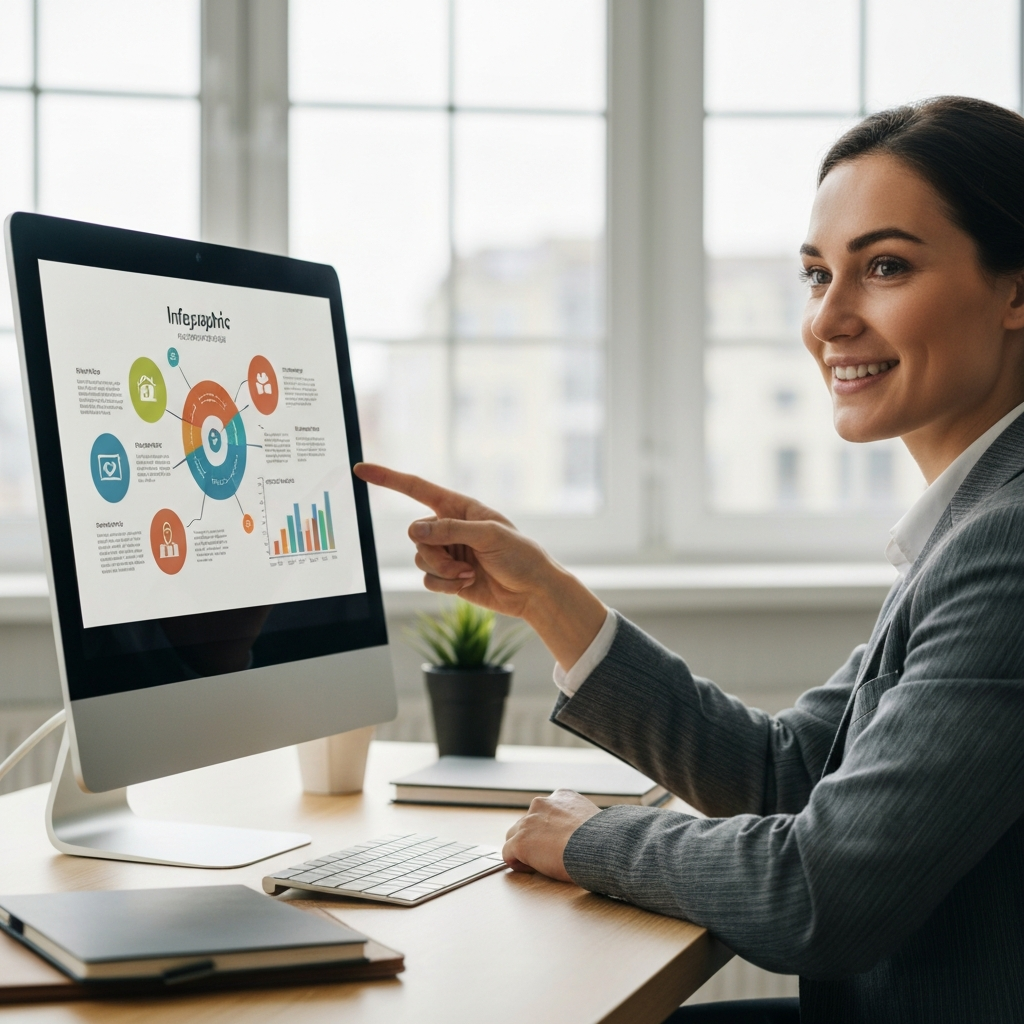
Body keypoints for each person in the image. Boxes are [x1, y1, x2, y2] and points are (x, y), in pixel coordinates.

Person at [355, 96, 1024, 1024]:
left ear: (1015, 290)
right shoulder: (975, 515)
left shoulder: (1009, 540)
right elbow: (789, 770)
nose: (829, 319)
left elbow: (820, 895)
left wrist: (598, 842)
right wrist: (549, 598)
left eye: (884, 267)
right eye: (815, 274)